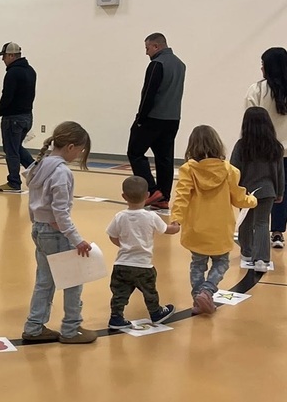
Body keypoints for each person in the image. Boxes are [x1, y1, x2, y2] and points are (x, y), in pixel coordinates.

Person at [22, 121, 97, 344]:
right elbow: (60, 212)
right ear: (71, 147)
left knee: (45, 281)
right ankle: (71, 328)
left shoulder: (39, 166)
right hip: (56, 234)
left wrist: (37, 223)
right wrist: (77, 240)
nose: (80, 154)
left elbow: (33, 202)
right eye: (81, 150)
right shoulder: (61, 172)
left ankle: (34, 327)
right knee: (73, 280)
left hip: (39, 231)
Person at [170, 125, 257, 315]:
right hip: (220, 229)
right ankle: (207, 290)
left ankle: (198, 299)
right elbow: (239, 197)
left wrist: (176, 219)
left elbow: (182, 195)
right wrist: (252, 200)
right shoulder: (229, 170)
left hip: (196, 229)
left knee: (197, 264)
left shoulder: (188, 170)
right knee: (222, 263)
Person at [106, 175, 180, 329]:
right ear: (147, 196)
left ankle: (116, 317)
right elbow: (168, 230)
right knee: (149, 291)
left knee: (120, 293)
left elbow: (112, 236)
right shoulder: (151, 216)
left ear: (123, 196)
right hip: (143, 265)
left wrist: (123, 245)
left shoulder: (119, 216)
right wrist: (176, 226)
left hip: (122, 264)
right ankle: (156, 312)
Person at [127, 33, 186, 210]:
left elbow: (148, 94)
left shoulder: (156, 65)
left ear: (156, 46)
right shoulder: (181, 65)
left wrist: (140, 118)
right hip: (173, 118)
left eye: (147, 48)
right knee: (164, 158)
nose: (146, 53)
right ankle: (164, 197)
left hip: (153, 118)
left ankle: (152, 191)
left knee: (135, 153)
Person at [230, 107, 284, 272]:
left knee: (246, 221)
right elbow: (280, 172)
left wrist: (232, 190)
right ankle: (261, 259)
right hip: (268, 190)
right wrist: (280, 192)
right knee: (262, 223)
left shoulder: (241, 146)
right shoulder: (275, 146)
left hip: (245, 190)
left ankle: (247, 252)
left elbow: (234, 169)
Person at [244, 47, 287, 248]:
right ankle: (277, 232)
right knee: (283, 193)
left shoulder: (257, 90)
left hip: (263, 152)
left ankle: (255, 231)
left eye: (263, 64)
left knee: (259, 192)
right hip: (285, 152)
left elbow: (249, 119)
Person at [0, 42, 36, 192]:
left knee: (11, 150)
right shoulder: (31, 71)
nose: (3, 60)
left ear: (11, 55)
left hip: (13, 118)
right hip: (27, 116)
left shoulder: (12, 73)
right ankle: (37, 173)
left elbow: (7, 96)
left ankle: (14, 182)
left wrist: (0, 110)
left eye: (4, 56)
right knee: (16, 147)